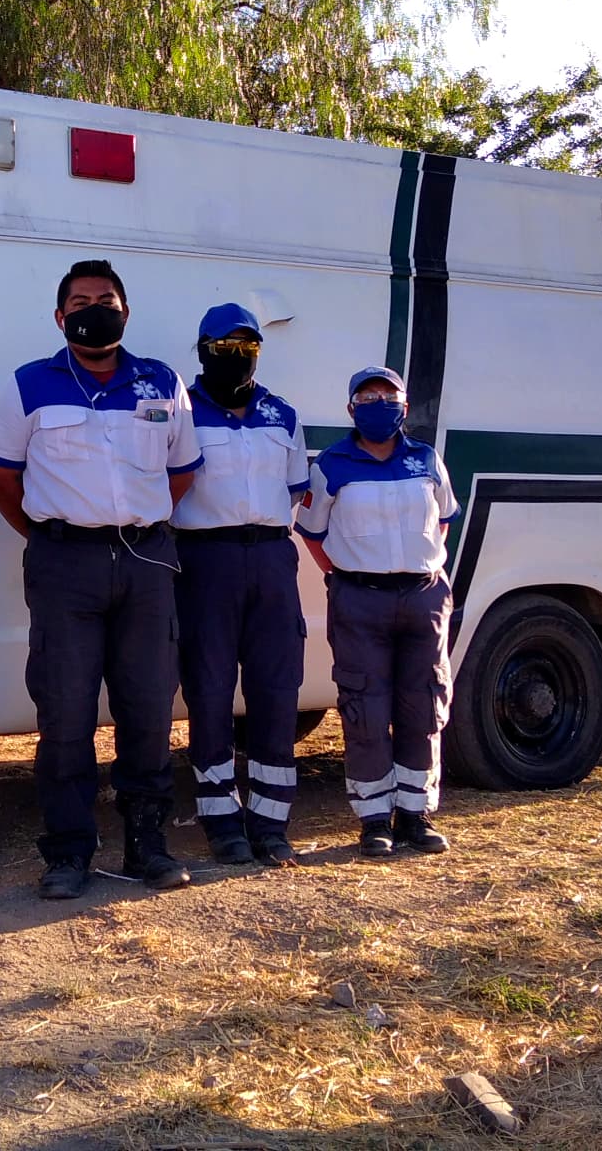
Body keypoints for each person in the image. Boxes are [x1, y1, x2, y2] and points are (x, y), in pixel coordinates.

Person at [0, 259, 202, 899]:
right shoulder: (29, 384)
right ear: (60, 317)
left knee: (149, 708)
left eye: (106, 300)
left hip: (146, 562)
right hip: (64, 566)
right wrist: (52, 536)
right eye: (80, 302)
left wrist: (134, 523)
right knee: (66, 711)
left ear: (125, 312)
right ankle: (68, 852)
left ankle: (147, 845)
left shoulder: (162, 382)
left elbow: (181, 472)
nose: (94, 309)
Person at [295, 366, 457, 859]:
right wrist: (348, 576)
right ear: (351, 408)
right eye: (367, 397)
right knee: (365, 709)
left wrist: (414, 565)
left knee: (422, 705)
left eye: (388, 396)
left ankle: (415, 815)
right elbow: (313, 533)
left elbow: (443, 521)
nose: (378, 403)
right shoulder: (332, 464)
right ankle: (373, 821)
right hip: (360, 599)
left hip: (423, 596)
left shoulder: (426, 459)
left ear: (404, 406)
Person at [170, 303, 310, 867]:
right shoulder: (181, 412)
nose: (238, 354)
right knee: (209, 692)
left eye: (248, 345)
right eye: (225, 345)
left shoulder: (283, 414)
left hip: (272, 559)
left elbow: (295, 489)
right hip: (205, 561)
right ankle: (221, 821)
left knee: (277, 691)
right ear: (204, 350)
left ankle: (271, 823)